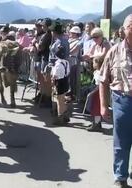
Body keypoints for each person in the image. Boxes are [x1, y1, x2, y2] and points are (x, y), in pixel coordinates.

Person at [99, 14, 132, 188]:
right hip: (122, 101)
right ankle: (121, 178)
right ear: (124, 30)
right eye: (130, 26)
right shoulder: (114, 51)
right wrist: (104, 106)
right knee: (122, 142)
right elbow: (103, 80)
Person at [34, 18, 53, 108]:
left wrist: (36, 44)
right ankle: (45, 97)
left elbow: (40, 48)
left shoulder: (47, 35)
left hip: (46, 59)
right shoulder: (49, 34)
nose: (42, 27)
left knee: (46, 80)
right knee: (45, 80)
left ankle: (47, 98)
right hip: (46, 58)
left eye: (43, 25)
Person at [51, 46, 70, 125]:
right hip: (65, 80)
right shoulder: (66, 62)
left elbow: (55, 75)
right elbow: (68, 71)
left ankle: (60, 117)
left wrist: (52, 82)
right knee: (63, 99)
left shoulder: (57, 64)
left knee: (59, 101)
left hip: (59, 82)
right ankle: (65, 115)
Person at [84, 56, 103, 132]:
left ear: (98, 64)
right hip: (96, 91)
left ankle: (96, 124)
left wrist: (91, 93)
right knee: (95, 108)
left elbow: (98, 86)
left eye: (94, 62)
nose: (93, 64)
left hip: (97, 92)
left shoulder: (98, 73)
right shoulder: (97, 72)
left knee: (96, 108)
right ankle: (96, 123)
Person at [68, 26, 81, 98]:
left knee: (71, 77)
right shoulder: (69, 40)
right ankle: (69, 91)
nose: (70, 34)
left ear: (76, 34)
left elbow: (72, 51)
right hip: (68, 59)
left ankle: (72, 93)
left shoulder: (78, 42)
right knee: (68, 77)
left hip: (73, 60)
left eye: (72, 33)